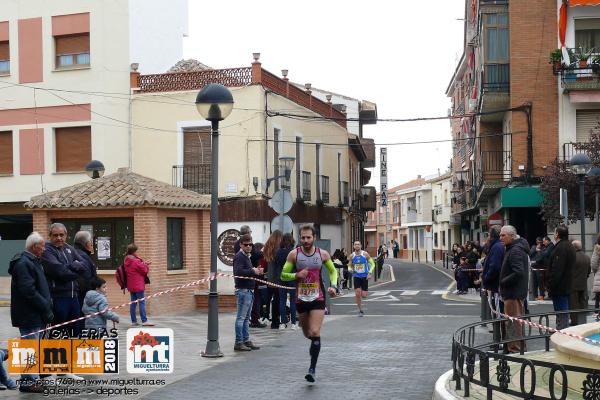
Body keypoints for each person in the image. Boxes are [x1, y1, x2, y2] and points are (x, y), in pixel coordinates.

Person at [281, 224, 338, 383]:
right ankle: (313, 345)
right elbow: (283, 275)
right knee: (307, 333)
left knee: (314, 332)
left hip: (318, 298)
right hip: (300, 299)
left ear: (314, 238)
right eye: (303, 237)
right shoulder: (294, 255)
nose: (305, 240)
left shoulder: (323, 254)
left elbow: (333, 271)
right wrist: (296, 275)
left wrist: (333, 286)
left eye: (308, 237)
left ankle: (312, 369)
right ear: (300, 238)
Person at [9, 232, 53, 393]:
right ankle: (29, 381)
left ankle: (31, 379)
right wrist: (45, 307)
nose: (44, 249)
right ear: (35, 247)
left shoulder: (32, 261)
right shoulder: (24, 263)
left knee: (33, 346)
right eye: (42, 246)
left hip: (35, 314)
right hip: (29, 314)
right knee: (30, 347)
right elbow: (28, 291)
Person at [41, 223, 85, 338]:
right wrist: (74, 268)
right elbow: (60, 272)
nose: (59, 238)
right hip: (58, 298)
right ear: (50, 236)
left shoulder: (69, 248)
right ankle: (56, 355)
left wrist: (68, 267)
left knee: (75, 332)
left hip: (74, 297)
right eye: (55, 235)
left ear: (66, 235)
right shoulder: (47, 250)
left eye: (61, 235)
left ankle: (73, 355)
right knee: (58, 332)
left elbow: (84, 265)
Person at [499, 225, 529, 353]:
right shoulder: (513, 248)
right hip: (514, 292)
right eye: (500, 235)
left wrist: (503, 281)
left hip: (513, 293)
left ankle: (515, 350)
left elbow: (518, 272)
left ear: (512, 236)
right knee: (516, 322)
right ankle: (519, 348)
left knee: (513, 323)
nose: (500, 238)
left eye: (503, 235)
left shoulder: (515, 250)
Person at [233, 233, 264, 351]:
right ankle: (239, 342)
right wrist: (253, 271)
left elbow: (248, 271)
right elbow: (238, 272)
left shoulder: (247, 256)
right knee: (241, 318)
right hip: (243, 290)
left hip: (249, 290)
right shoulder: (239, 256)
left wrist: (257, 271)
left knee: (246, 318)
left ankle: (246, 340)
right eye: (246, 245)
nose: (249, 246)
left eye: (250, 244)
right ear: (241, 245)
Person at [547, 225, 576, 330]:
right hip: (566, 285)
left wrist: (550, 285)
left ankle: (562, 332)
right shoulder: (570, 246)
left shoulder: (561, 247)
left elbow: (557, 270)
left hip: (560, 287)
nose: (554, 235)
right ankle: (561, 330)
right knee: (562, 311)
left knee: (561, 311)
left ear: (557, 234)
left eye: (554, 232)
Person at [73, 230, 97, 331]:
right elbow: (85, 280)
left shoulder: (75, 253)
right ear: (87, 244)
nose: (92, 246)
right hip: (83, 299)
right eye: (91, 243)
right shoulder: (83, 257)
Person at [124, 244, 153, 327]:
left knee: (133, 303)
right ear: (134, 251)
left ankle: (134, 321)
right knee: (141, 302)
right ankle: (144, 321)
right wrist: (146, 265)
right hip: (138, 285)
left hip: (131, 285)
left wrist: (143, 263)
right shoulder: (135, 261)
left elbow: (136, 268)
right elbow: (144, 270)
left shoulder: (126, 259)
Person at [482, 226, 504, 328]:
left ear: (491, 236)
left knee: (498, 313)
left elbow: (494, 266)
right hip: (495, 285)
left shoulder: (497, 247)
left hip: (495, 286)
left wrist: (486, 277)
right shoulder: (496, 246)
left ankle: (499, 340)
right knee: (496, 311)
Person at [275, 233, 297, 329]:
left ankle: (283, 323)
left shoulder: (278, 252)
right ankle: (293, 323)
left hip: (282, 277)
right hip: (292, 277)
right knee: (293, 300)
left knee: (282, 300)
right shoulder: (294, 252)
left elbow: (277, 264)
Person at [349, 241, 375, 316]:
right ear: (353, 246)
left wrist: (370, 273)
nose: (357, 246)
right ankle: (360, 310)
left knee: (364, 295)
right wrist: (350, 269)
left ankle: (363, 294)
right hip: (356, 276)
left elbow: (372, 264)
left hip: (364, 276)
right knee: (357, 293)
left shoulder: (365, 254)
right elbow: (349, 265)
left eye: (358, 244)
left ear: (361, 246)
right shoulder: (352, 256)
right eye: (355, 244)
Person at [263, 230, 283, 329]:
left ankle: (267, 317)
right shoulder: (278, 250)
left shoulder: (267, 248)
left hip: (269, 278)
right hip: (277, 278)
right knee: (277, 300)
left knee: (269, 299)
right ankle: (275, 321)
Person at [569, 240, 591, 326]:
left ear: (574, 247)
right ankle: (582, 322)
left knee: (574, 304)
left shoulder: (572, 258)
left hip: (573, 284)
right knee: (583, 303)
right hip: (583, 283)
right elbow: (589, 271)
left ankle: (575, 322)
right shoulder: (587, 257)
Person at [250, 242, 267, 328]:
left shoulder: (252, 257)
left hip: (257, 282)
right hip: (259, 281)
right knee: (257, 300)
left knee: (256, 301)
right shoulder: (259, 257)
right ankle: (255, 319)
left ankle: (255, 318)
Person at [591, 234, 600, 320]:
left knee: (598, 296)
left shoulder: (597, 248)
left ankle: (597, 313)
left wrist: (596, 271)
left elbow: (593, 264)